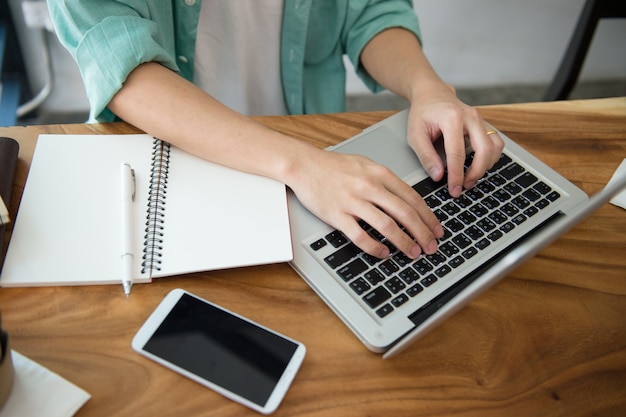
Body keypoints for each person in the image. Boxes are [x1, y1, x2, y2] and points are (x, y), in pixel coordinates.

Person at [47, 1, 503, 261]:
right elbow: (126, 70)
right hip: (179, 165)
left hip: (320, 159)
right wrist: (302, 165)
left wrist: (428, 87)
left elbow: (369, 11)